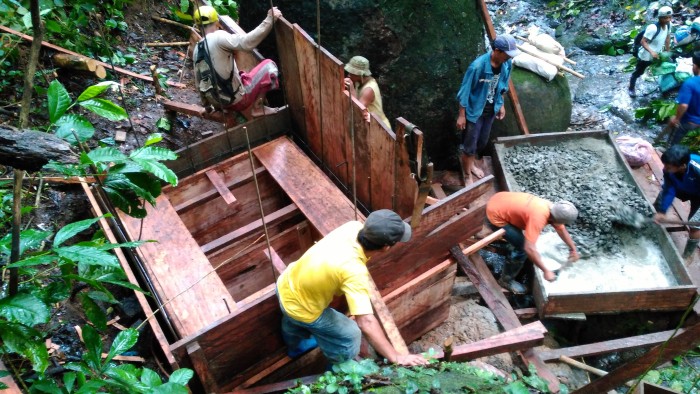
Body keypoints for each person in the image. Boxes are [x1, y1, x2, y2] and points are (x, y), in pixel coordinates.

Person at [276, 209, 427, 367]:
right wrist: (397, 357)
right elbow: (366, 322)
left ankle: (296, 348)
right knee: (350, 334)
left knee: (291, 321)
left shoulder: (352, 227)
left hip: (285, 283)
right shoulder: (354, 270)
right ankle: (340, 368)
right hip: (301, 308)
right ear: (385, 247)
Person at [193, 5, 282, 117]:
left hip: (218, 103)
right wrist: (270, 19)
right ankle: (258, 108)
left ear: (198, 26)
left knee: (241, 74)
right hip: (238, 101)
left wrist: (207, 107)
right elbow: (247, 43)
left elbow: (198, 82)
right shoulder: (219, 37)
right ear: (217, 22)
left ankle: (226, 105)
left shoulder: (197, 48)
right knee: (269, 66)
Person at [456, 35, 520, 185]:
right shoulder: (477, 67)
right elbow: (464, 91)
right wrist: (461, 115)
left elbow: (503, 85)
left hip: (490, 110)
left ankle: (470, 165)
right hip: (475, 112)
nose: (509, 58)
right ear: (497, 51)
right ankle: (466, 175)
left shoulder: (506, 64)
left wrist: (501, 104)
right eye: (507, 54)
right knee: (470, 146)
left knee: (481, 142)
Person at [485, 192, 580, 288]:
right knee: (522, 248)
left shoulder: (551, 209)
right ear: (556, 219)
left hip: (498, 199)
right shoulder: (539, 217)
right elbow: (529, 248)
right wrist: (546, 271)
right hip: (494, 215)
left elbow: (561, 229)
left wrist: (573, 248)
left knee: (523, 239)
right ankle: (505, 281)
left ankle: (511, 247)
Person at [653, 145, 700, 257]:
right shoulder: (669, 170)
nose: (665, 169)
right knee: (660, 204)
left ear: (683, 166)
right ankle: (653, 225)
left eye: (668, 167)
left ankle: (687, 256)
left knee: (695, 226)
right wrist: (662, 211)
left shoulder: (697, 168)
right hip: (684, 187)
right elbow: (669, 189)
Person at [628, 6, 673, 98]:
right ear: (660, 18)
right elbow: (643, 41)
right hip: (646, 55)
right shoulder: (653, 28)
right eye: (665, 18)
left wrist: (668, 51)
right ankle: (631, 87)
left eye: (669, 17)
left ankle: (664, 87)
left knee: (663, 69)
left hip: (658, 54)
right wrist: (652, 52)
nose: (668, 19)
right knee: (638, 72)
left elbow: (667, 38)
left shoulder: (669, 25)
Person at [343, 56, 391, 128]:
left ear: (361, 74)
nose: (349, 75)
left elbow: (358, 111)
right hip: (369, 126)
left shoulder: (369, 89)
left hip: (380, 128)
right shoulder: (358, 82)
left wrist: (351, 90)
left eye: (352, 73)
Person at [667, 53, 700, 146]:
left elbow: (683, 105)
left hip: (688, 121)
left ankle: (669, 154)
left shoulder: (690, 83)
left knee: (673, 143)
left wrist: (676, 118)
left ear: (695, 66)